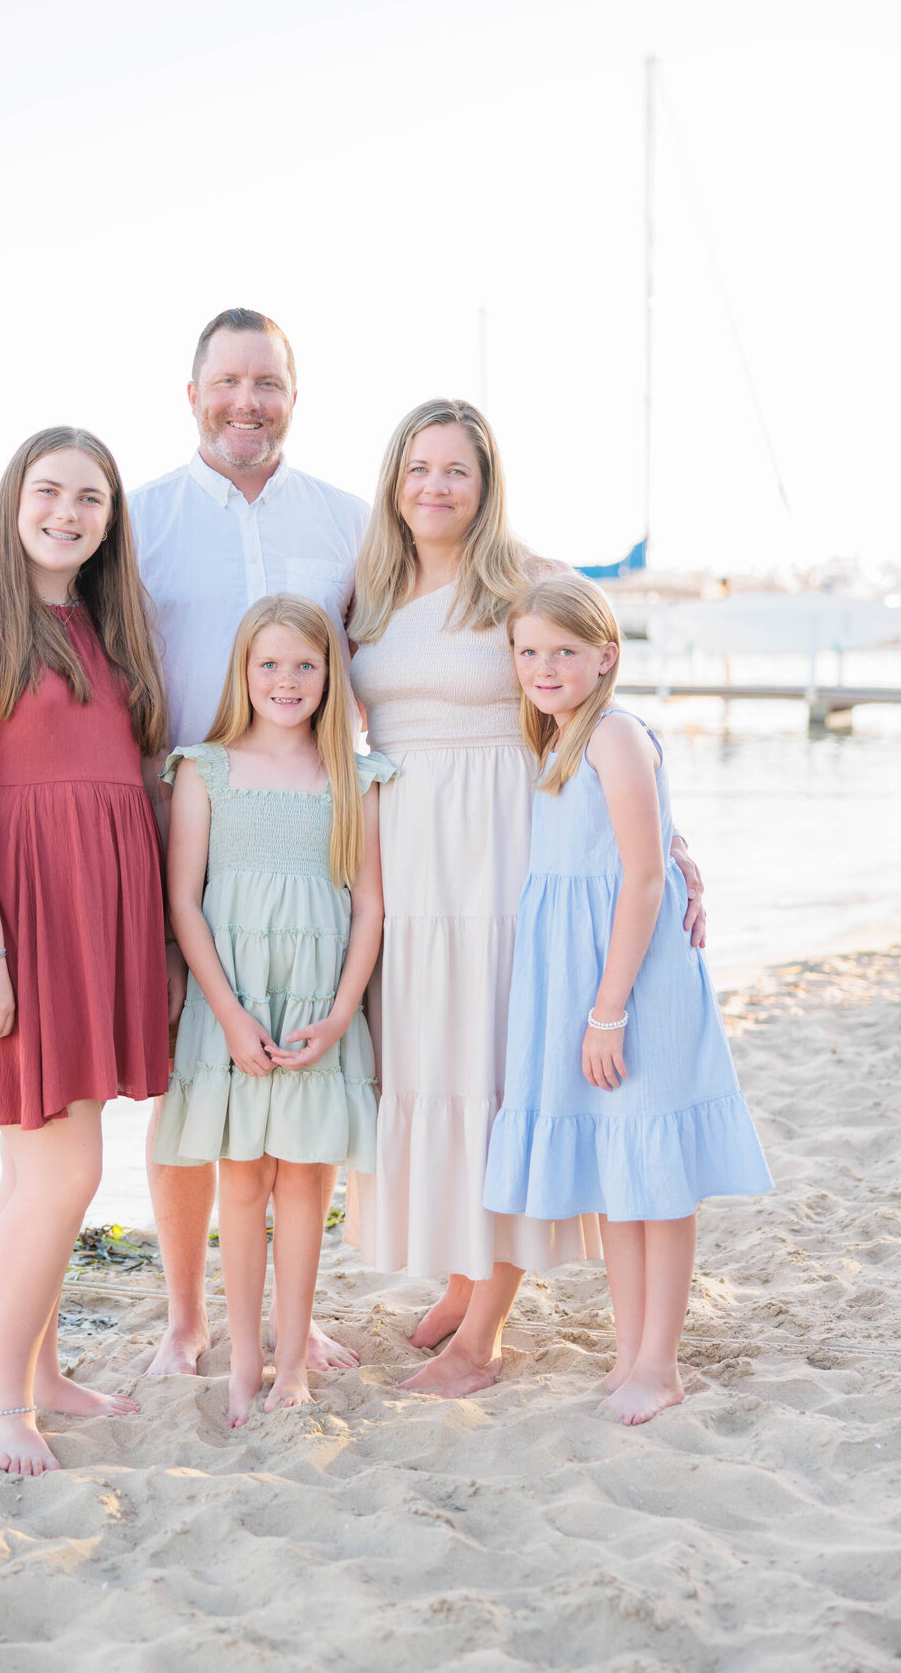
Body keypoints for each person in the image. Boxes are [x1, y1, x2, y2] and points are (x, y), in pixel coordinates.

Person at [347, 398, 707, 1397]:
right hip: (409, 854)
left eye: (456, 468)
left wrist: (664, 838)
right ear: (395, 477)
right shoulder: (368, 586)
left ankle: (484, 1335)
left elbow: (592, 697)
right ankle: (465, 1275)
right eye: (418, 466)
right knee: (432, 1060)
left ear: (486, 480)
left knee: (499, 1073)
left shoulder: (528, 580)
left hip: (506, 845)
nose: (435, 486)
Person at [0, 426, 175, 1476]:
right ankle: (0, 1400)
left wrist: (151, 939)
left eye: (92, 498)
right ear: (15, 498)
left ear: (112, 519)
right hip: (15, 914)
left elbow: (136, 782)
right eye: (50, 490)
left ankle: (45, 1368)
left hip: (98, 915)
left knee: (40, 1166)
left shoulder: (111, 624)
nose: (68, 512)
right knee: (63, 1165)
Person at [129, 308, 369, 1378]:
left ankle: (293, 1317)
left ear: (293, 394)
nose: (246, 402)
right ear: (191, 394)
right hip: (176, 826)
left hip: (309, 838)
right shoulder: (139, 520)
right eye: (225, 381)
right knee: (194, 1089)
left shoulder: (351, 522)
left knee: (296, 1102)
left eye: (265, 382)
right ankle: (188, 1315)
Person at [483, 575, 772, 1424]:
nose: (543, 666)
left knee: (655, 1170)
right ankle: (630, 1350)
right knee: (621, 1173)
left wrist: (607, 1009)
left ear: (606, 656)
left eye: (564, 651)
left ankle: (660, 1362)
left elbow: (641, 877)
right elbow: (644, 838)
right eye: (528, 651)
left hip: (632, 978)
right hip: (587, 970)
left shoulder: (610, 731)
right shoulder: (564, 735)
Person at [153, 596, 393, 1425]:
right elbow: (184, 902)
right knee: (243, 1182)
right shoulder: (205, 767)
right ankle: (244, 1357)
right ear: (242, 672)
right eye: (269, 664)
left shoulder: (353, 776)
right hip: (237, 1006)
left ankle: (293, 1359)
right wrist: (226, 1013)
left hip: (318, 1006)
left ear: (331, 675)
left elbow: (368, 907)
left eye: (305, 665)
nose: (286, 680)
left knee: (305, 1184)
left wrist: (341, 1012)